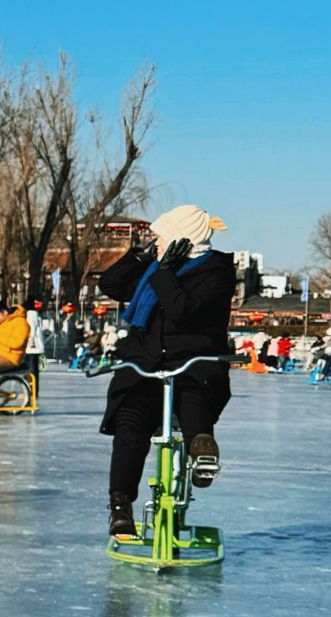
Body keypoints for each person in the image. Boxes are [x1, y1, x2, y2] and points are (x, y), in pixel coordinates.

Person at [95, 204, 235, 539]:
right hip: (143, 365)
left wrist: (165, 272)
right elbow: (111, 286)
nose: (155, 242)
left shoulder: (216, 270)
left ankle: (202, 452)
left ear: (180, 236)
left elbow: (183, 311)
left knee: (193, 399)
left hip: (193, 363)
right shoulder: (153, 267)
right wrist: (141, 258)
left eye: (159, 237)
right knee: (130, 425)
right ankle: (121, 507)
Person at [0, 298, 33, 390]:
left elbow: (17, 343)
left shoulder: (21, 323)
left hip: (10, 357)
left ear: (4, 312)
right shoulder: (0, 323)